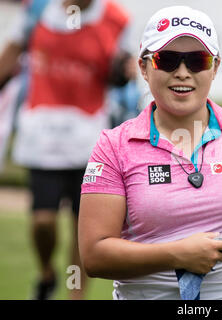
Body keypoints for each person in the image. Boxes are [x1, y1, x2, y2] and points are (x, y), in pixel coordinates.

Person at [78, 5, 222, 300]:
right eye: (168, 60)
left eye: (197, 60)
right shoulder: (113, 146)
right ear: (144, 67)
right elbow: (95, 255)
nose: (183, 73)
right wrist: (175, 254)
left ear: (215, 68)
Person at [0, 0, 134, 299]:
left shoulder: (116, 18)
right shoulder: (37, 10)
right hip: (41, 136)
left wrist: (123, 72)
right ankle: (46, 271)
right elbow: (8, 58)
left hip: (90, 138)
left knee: (82, 224)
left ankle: (76, 296)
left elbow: (125, 74)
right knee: (43, 221)